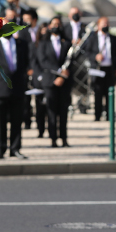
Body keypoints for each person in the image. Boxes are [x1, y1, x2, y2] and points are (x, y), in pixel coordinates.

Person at [0, 10, 30, 159]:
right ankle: (0, 148)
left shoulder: (21, 44)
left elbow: (25, 63)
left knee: (17, 120)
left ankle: (15, 148)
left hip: (18, 87)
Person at [38, 17, 73, 147]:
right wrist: (58, 72)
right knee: (51, 111)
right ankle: (53, 138)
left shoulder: (66, 43)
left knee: (63, 111)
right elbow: (43, 61)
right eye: (53, 24)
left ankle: (64, 138)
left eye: (58, 24)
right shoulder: (43, 43)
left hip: (64, 82)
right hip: (50, 81)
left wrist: (63, 76)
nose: (56, 26)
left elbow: (71, 61)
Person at [84, 17, 116, 121]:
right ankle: (97, 115)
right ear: (98, 25)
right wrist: (95, 57)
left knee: (109, 93)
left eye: (107, 23)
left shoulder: (113, 38)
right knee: (98, 93)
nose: (105, 25)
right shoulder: (93, 38)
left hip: (110, 69)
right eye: (103, 23)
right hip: (98, 69)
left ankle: (109, 116)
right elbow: (87, 52)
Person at [19, 9, 45, 136]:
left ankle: (41, 128)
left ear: (34, 20)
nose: (25, 22)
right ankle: (27, 122)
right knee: (26, 99)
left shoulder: (42, 31)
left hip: (40, 70)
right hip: (27, 69)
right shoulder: (22, 33)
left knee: (40, 100)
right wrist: (27, 68)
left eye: (27, 19)